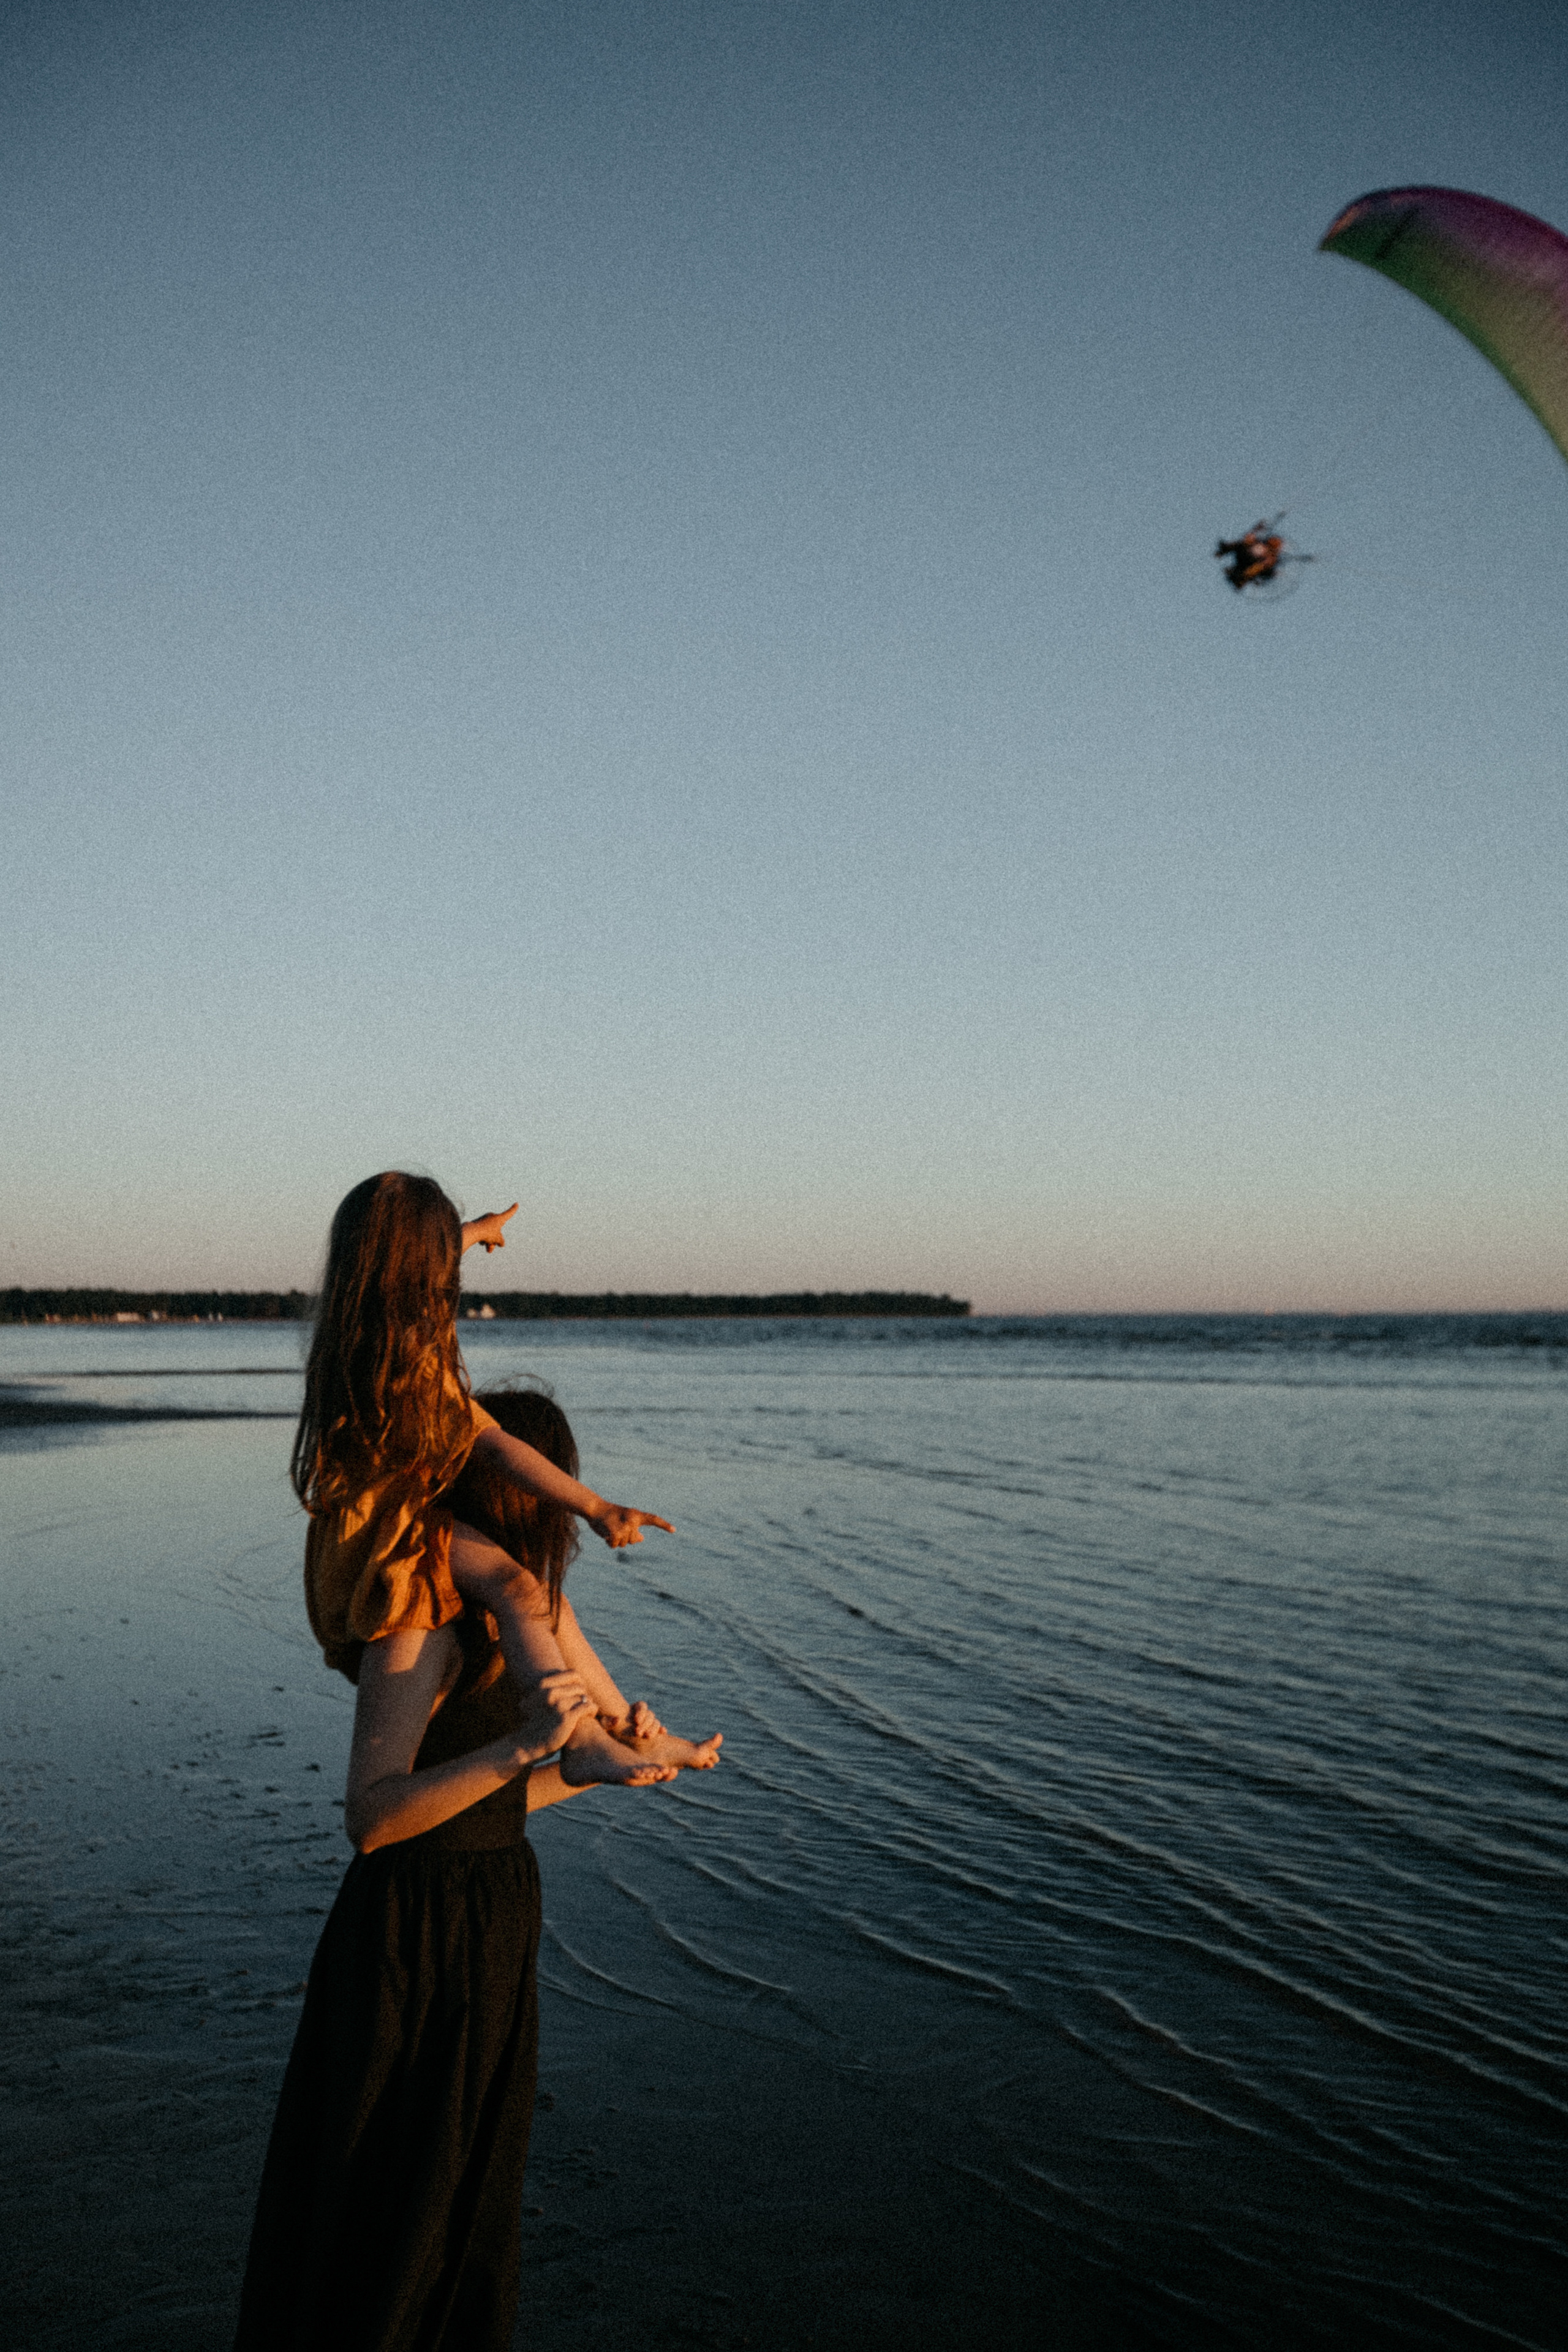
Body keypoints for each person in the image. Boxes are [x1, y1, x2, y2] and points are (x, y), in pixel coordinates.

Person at [233, 1370, 721, 2347]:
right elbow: (373, 1817)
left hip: (493, 1910)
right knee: (385, 2206)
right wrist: (524, 1746)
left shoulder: (523, 1627)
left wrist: (592, 1770)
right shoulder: (421, 1622)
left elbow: (495, 1810)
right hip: (407, 1936)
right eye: (549, 1489)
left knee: (469, 2194)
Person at [293, 1171, 680, 1792]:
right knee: (519, 1590)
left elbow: (407, 1260)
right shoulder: (408, 1368)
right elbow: (497, 1446)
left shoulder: (349, 1341)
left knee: (542, 1600)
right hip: (394, 1537)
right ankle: (582, 1743)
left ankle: (623, 1733)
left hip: (366, 1535)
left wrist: (473, 1233)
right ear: (420, 1270)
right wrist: (594, 1507)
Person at [1215, 521, 1285, 590]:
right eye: (1273, 540)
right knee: (1244, 543)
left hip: (1250, 565)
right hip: (1244, 556)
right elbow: (1249, 538)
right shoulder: (1259, 542)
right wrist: (1257, 529)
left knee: (1256, 568)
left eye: (1276, 543)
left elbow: (1268, 568)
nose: (1273, 542)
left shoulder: (1272, 557)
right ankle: (1224, 550)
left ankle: (1242, 577)